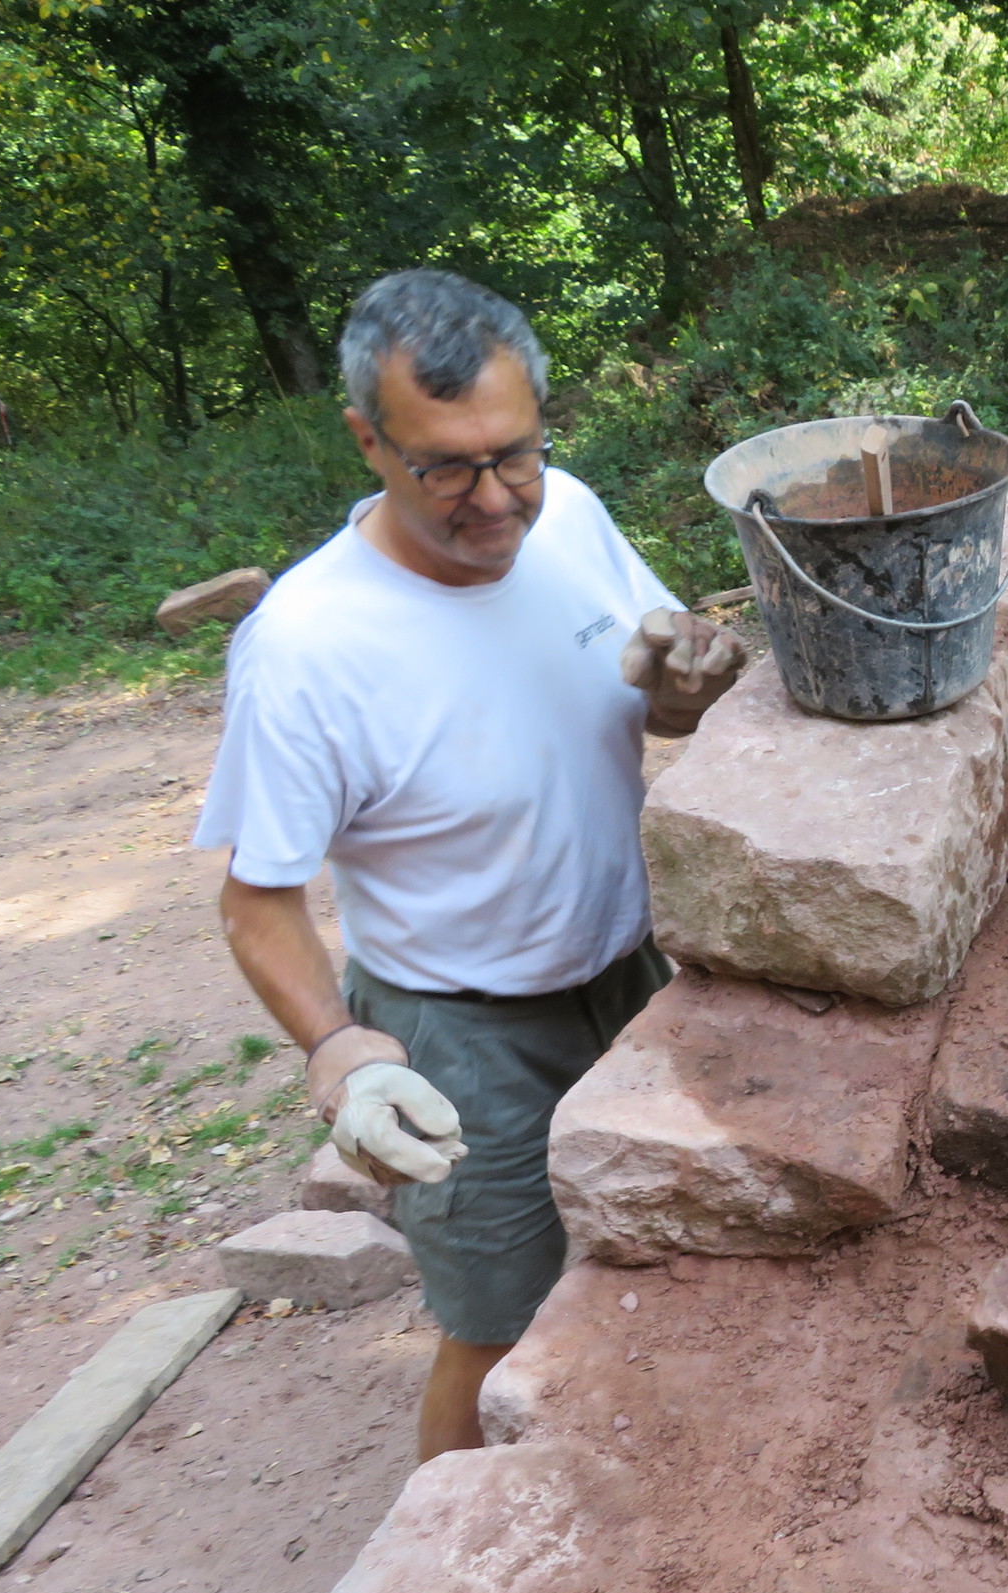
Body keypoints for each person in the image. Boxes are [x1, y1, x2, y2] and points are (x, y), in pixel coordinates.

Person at [194, 268, 743, 1460]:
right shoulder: (307, 648)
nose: (494, 501)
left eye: (516, 455)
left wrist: (686, 687)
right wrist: (339, 1049)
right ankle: (439, 1552)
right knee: (497, 1322)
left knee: (657, 1267)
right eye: (446, 468)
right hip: (461, 1030)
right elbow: (257, 898)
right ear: (368, 440)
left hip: (634, 978)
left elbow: (658, 704)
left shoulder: (572, 517)